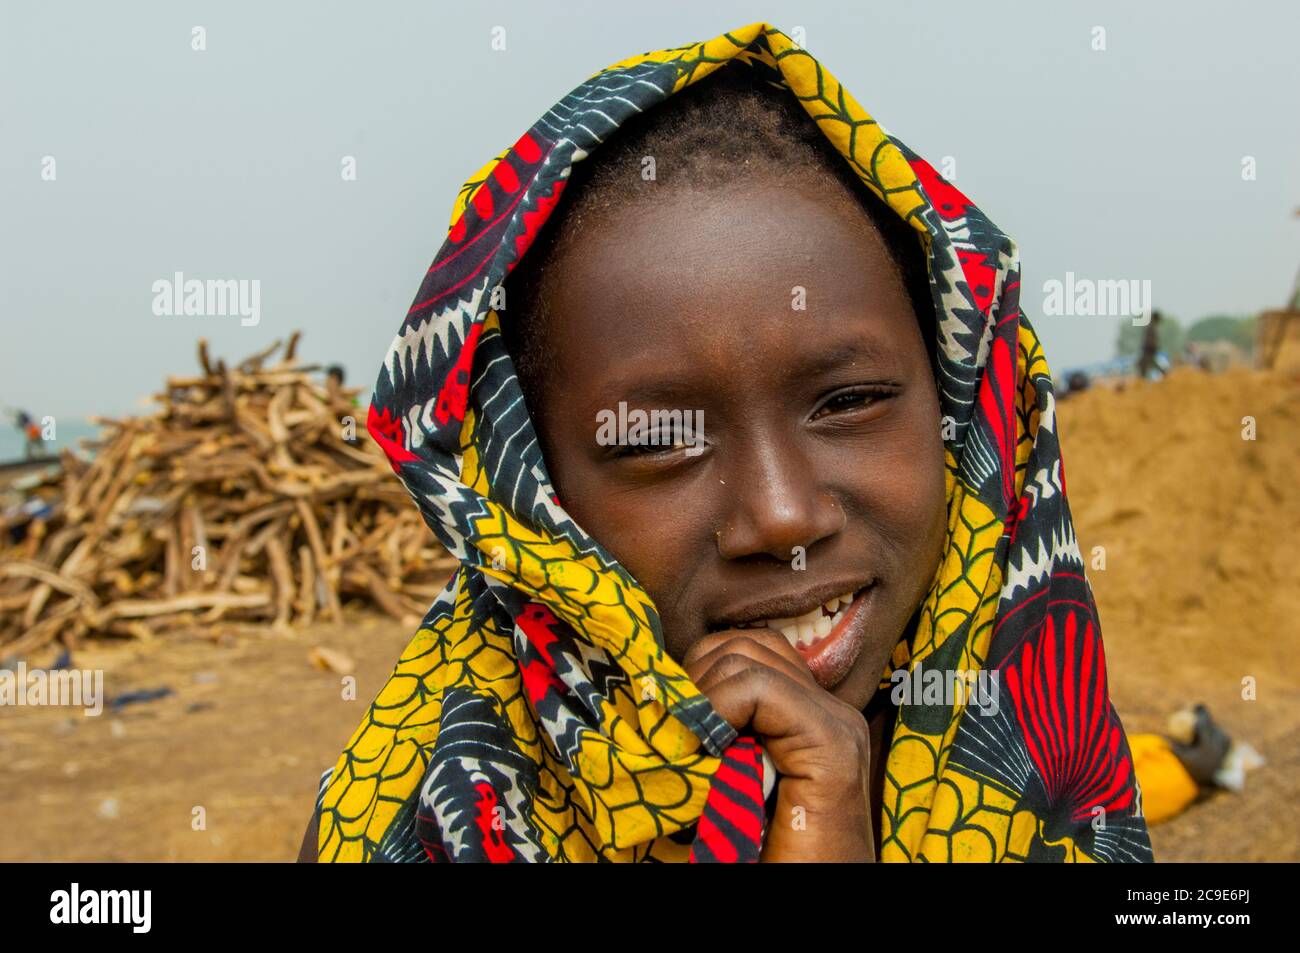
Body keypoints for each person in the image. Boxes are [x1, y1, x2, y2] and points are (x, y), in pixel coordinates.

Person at [302, 22, 1152, 863]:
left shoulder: (1053, 761)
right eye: (659, 441)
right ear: (532, 498)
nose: (783, 518)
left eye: (849, 400)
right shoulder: (421, 816)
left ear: (959, 410)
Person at [1137, 309, 1166, 379]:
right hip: (1149, 349)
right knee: (1146, 363)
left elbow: (1151, 340)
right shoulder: (1152, 327)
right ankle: (1164, 373)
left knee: (1144, 364)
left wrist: (1151, 347)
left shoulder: (1151, 327)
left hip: (1149, 349)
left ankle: (1142, 379)